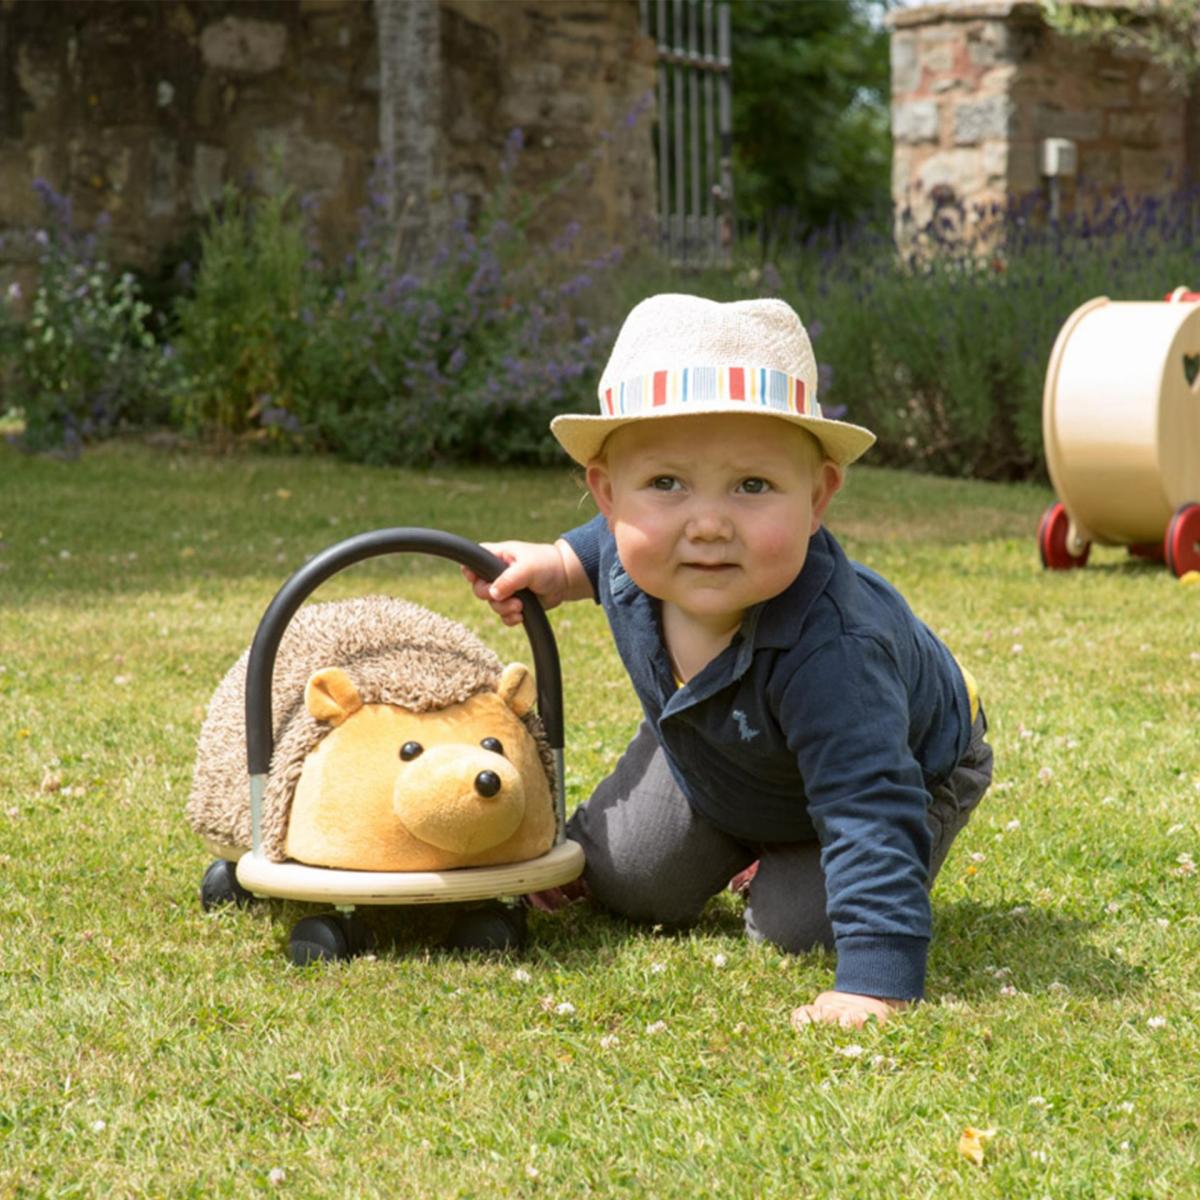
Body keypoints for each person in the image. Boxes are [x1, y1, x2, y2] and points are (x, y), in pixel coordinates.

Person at [464, 294, 992, 1029]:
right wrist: (558, 563)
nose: (707, 523)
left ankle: (789, 853)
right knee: (625, 877)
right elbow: (600, 546)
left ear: (817, 497)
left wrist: (877, 981)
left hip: (898, 767)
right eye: (666, 484)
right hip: (720, 748)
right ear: (609, 496)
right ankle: (737, 828)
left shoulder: (836, 650)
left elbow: (870, 808)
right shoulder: (625, 554)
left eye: (752, 486)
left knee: (795, 927)